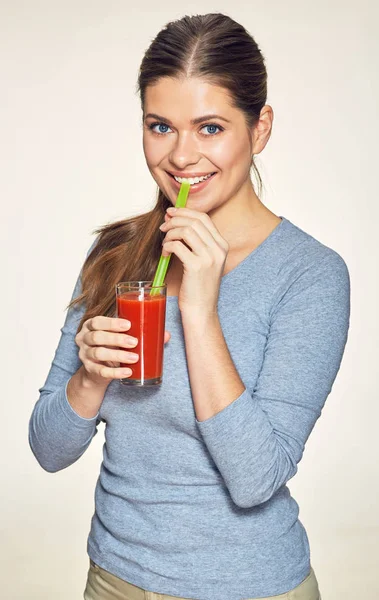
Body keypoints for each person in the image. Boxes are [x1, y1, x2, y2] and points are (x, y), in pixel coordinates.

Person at [29, 12, 350, 600]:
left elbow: (256, 479)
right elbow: (48, 450)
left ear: (259, 129)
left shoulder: (310, 275)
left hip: (250, 586)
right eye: (159, 126)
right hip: (114, 579)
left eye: (209, 128)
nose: (179, 156)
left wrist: (200, 311)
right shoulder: (119, 255)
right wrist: (88, 378)